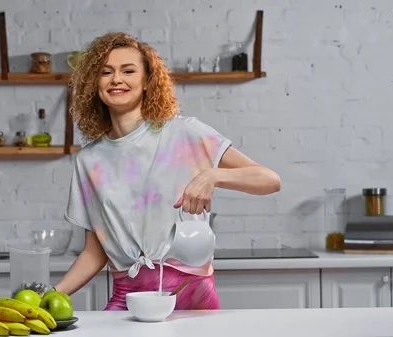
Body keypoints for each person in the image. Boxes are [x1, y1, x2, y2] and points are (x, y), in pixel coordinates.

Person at [53, 32, 281, 310]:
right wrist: (52, 294)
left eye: (128, 71)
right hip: (128, 300)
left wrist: (213, 175)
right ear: (94, 83)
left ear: (147, 81)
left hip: (193, 298)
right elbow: (95, 251)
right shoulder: (89, 161)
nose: (116, 79)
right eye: (106, 72)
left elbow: (270, 180)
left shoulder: (184, 133)